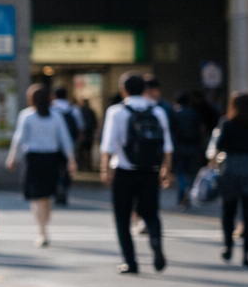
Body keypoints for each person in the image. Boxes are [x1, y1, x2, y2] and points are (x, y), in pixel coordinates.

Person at [99, 71, 173, 274]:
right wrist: (165, 170)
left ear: (123, 90)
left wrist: (105, 169)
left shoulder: (116, 111)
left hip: (124, 171)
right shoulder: (157, 111)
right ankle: (155, 239)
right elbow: (167, 146)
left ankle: (130, 262)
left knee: (122, 218)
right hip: (150, 171)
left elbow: (108, 144)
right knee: (150, 212)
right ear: (144, 89)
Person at [5, 84, 76, 248]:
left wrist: (13, 158)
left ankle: (41, 229)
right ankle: (44, 227)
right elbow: (65, 139)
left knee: (36, 196)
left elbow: (19, 139)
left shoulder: (27, 116)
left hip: (34, 159)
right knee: (47, 195)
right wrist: (71, 159)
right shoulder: (55, 116)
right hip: (51, 159)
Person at [207, 91, 248, 267]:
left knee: (228, 211)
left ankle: (228, 245)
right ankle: (246, 253)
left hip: (230, 168)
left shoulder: (227, 123)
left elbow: (218, 145)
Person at [170, 91, 205, 208]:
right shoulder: (195, 113)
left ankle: (183, 194)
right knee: (191, 172)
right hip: (193, 146)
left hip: (179, 147)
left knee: (179, 172)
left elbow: (171, 131)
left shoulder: (174, 113)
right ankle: (187, 194)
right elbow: (201, 130)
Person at [50, 86, 83, 205]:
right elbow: (80, 128)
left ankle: (56, 190)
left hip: (54, 145)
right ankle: (64, 189)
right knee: (67, 168)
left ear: (54, 96)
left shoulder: (51, 109)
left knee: (55, 168)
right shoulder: (73, 109)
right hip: (70, 144)